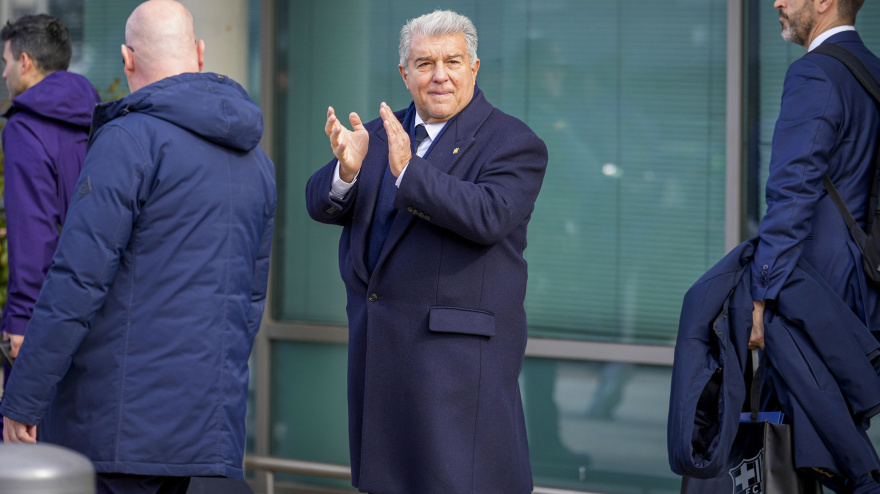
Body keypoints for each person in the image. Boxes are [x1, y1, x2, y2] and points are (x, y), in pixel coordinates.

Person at [0, 1, 276, 493]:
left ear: (127, 60)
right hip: (202, 425)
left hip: (116, 426)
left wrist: (23, 399)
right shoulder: (256, 160)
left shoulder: (127, 140)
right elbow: (250, 300)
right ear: (199, 52)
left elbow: (76, 282)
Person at [306, 10, 548, 494]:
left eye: (452, 61)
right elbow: (319, 202)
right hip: (382, 364)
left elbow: (488, 216)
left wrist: (408, 171)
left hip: (456, 377)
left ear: (474, 68)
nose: (439, 75)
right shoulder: (376, 133)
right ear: (404, 74)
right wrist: (347, 172)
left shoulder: (513, 142)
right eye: (424, 63)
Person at [749, 0, 880, 491]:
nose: (777, 2)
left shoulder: (816, 75)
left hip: (813, 300)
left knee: (795, 456)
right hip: (862, 298)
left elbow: (792, 193)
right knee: (832, 445)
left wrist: (759, 297)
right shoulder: (870, 71)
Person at [0, 13, 101, 433]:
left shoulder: (25, 127)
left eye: (4, 62)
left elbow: (33, 230)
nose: (4, 73)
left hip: (46, 315)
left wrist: (20, 321)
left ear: (25, 61)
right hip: (98, 310)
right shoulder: (103, 120)